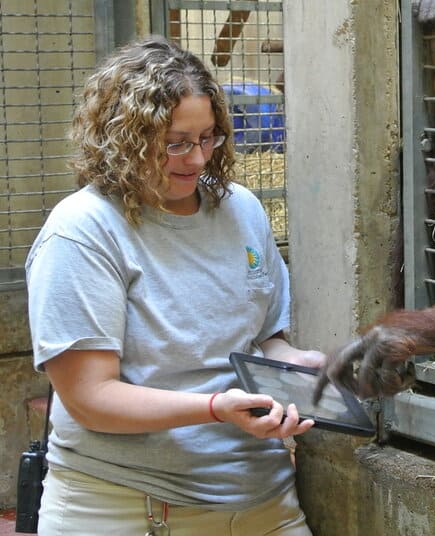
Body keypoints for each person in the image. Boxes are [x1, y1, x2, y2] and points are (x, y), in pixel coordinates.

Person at [25, 35, 322, 535]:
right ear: (123, 137)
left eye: (208, 137)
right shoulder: (83, 230)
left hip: (257, 494)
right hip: (128, 503)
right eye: (175, 144)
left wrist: (304, 369)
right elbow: (90, 398)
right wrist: (213, 409)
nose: (198, 158)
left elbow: (265, 339)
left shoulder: (242, 210)